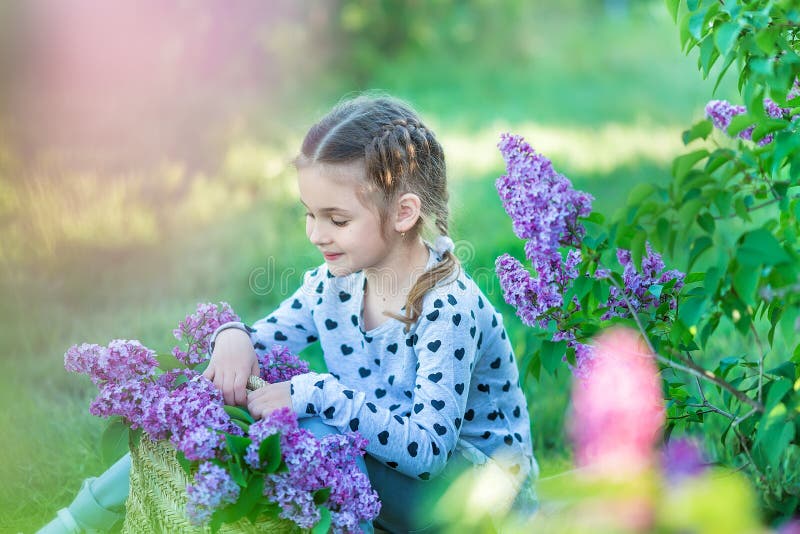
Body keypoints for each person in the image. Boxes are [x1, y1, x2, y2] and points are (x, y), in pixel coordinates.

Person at [39, 95, 538, 533]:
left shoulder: (447, 308)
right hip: (390, 478)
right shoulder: (336, 285)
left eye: (336, 219)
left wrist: (312, 392)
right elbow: (266, 336)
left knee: (318, 435)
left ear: (404, 214)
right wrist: (232, 335)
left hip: (471, 501)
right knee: (210, 410)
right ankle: (76, 521)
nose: (315, 234)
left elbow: (427, 453)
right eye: (309, 213)